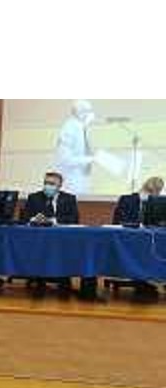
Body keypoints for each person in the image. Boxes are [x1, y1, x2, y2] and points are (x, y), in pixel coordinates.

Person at [22, 171, 99, 300]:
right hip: (39, 240)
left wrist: (54, 221)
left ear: (59, 186)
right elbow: (25, 217)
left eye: (52, 184)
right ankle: (39, 281)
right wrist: (33, 219)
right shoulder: (34, 197)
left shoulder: (69, 198)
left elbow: (74, 219)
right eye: (46, 183)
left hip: (63, 240)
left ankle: (65, 281)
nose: (48, 186)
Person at [112, 176, 165, 302]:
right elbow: (119, 221)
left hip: (150, 236)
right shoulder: (127, 199)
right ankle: (142, 284)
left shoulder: (159, 202)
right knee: (143, 250)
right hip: (130, 238)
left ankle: (155, 281)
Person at [55, 100, 96, 195]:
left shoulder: (81, 128)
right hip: (71, 180)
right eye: (88, 111)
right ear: (79, 112)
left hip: (82, 179)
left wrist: (92, 158)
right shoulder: (69, 129)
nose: (91, 115)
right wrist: (90, 159)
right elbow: (65, 159)